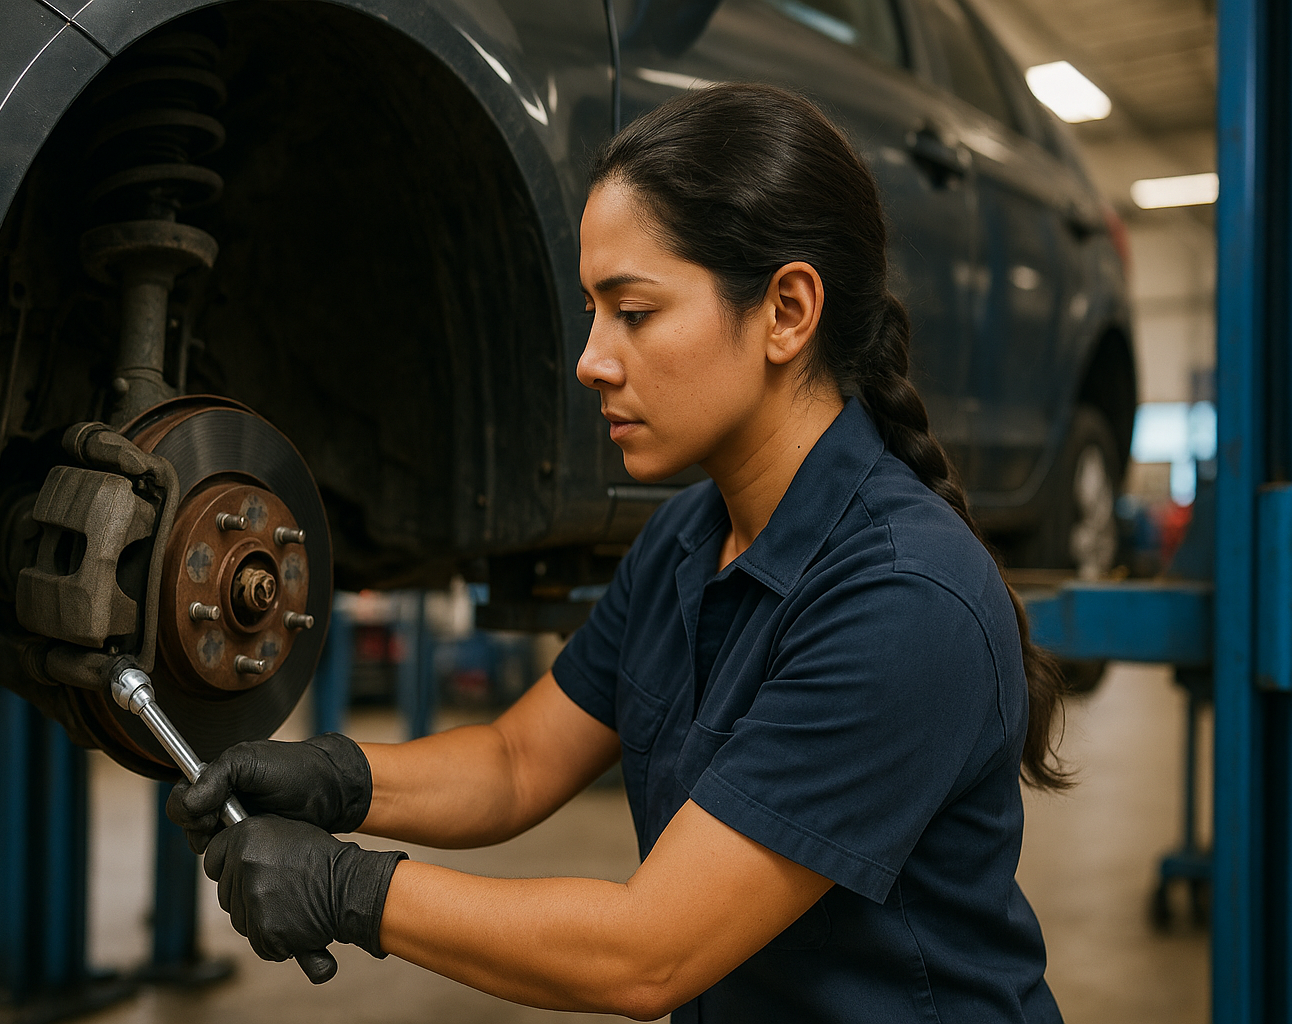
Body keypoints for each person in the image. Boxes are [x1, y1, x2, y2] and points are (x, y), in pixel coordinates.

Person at [168, 83, 1068, 1022]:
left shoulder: (901, 599)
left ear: (788, 312)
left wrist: (348, 890)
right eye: (593, 310)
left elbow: (647, 953)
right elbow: (518, 760)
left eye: (633, 312)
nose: (592, 358)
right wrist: (339, 778)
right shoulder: (687, 538)